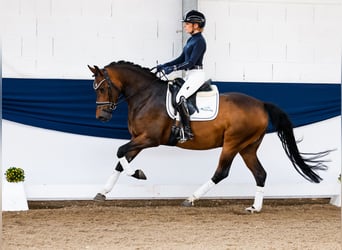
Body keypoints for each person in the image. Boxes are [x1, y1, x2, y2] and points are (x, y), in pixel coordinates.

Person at [157, 10, 207, 141]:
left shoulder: (200, 41)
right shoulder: (191, 40)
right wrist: (164, 65)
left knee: (180, 97)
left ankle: (186, 131)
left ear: (196, 25)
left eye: (187, 23)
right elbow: (181, 59)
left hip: (196, 75)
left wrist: (172, 69)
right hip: (190, 75)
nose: (185, 25)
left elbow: (190, 62)